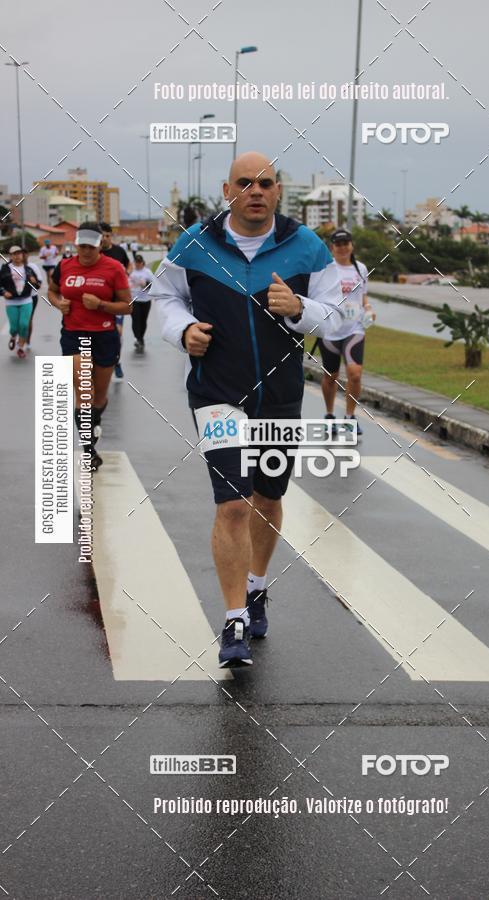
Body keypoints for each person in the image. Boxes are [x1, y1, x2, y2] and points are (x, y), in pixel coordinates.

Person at [150, 152, 344, 668]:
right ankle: (234, 620)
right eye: (245, 182)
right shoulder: (195, 243)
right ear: (227, 189)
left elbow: (337, 315)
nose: (255, 190)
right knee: (233, 503)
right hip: (217, 393)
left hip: (279, 395)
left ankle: (257, 586)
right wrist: (181, 331)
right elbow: (165, 298)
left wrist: (302, 309)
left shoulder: (306, 246)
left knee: (267, 496)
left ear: (278, 190)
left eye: (265, 183)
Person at [47, 222, 132, 470]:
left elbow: (128, 306)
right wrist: (57, 303)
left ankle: (92, 426)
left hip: (105, 335)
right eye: (81, 246)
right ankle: (89, 450)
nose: (85, 252)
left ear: (99, 246)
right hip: (74, 333)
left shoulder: (113, 268)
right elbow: (52, 291)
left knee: (99, 398)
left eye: (90, 247)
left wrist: (102, 305)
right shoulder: (64, 266)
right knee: (84, 391)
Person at [317, 229, 374, 436]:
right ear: (332, 247)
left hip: (354, 329)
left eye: (346, 243)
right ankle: (330, 415)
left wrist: (368, 309)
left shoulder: (361, 269)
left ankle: (350, 417)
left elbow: (363, 297)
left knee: (355, 374)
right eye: (338, 244)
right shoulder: (325, 270)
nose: (342, 247)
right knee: (330, 376)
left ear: (351, 245)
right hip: (331, 330)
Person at [100, 223, 130, 378]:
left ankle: (116, 361)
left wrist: (126, 274)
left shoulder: (119, 251)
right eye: (102, 235)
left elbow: (128, 265)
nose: (104, 239)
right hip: (97, 303)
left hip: (116, 302)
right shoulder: (94, 252)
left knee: (117, 333)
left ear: (111, 236)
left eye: (107, 235)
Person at [1, 246, 40, 358]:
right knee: (14, 327)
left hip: (26, 301)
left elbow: (37, 286)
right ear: (11, 256)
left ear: (23, 255)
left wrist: (35, 282)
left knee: (24, 324)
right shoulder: (5, 268)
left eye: (19, 253)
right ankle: (13, 336)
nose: (17, 256)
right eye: (14, 254)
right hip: (11, 302)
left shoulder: (28, 269)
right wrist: (4, 292)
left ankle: (20, 347)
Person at [129, 254, 154, 351]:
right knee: (135, 320)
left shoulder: (147, 272)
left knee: (143, 321)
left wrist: (146, 284)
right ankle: (137, 339)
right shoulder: (131, 273)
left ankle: (141, 338)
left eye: (139, 262)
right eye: (136, 262)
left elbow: (154, 284)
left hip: (145, 300)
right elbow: (126, 284)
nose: (138, 264)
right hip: (134, 299)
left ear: (143, 263)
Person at [23, 251, 44, 351]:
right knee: (19, 321)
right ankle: (17, 336)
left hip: (31, 297)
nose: (22, 256)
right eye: (18, 254)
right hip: (16, 299)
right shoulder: (10, 267)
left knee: (28, 320)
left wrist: (34, 282)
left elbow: (39, 284)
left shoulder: (33, 267)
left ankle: (27, 341)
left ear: (27, 255)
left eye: (24, 253)